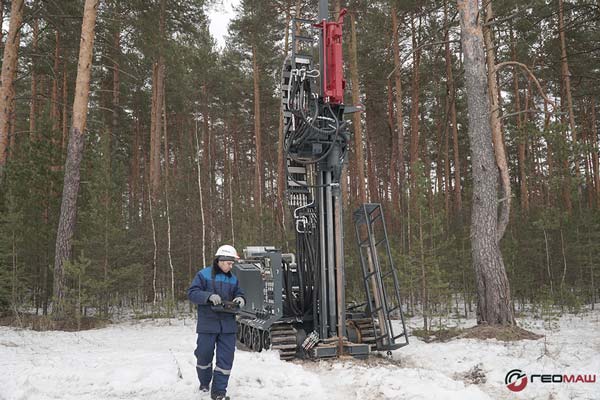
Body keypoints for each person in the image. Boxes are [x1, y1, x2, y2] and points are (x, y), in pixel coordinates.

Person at [188, 245, 245, 400]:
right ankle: (204, 382)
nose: (231, 266)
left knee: (226, 359)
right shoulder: (203, 275)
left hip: (227, 326)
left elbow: (240, 293)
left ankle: (219, 392)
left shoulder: (233, 279)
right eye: (229, 263)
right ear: (220, 260)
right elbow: (192, 293)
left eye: (232, 264)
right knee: (204, 356)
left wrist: (241, 299)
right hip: (208, 324)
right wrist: (208, 296)